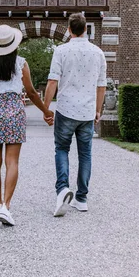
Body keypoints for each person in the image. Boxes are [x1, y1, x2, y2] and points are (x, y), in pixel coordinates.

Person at [0, 24, 54, 226]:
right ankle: (6, 205)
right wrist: (47, 112)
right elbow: (30, 92)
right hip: (14, 112)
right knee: (12, 162)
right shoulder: (21, 63)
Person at [44, 13, 106, 217]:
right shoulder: (98, 53)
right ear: (86, 29)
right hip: (87, 112)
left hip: (66, 109)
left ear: (69, 29)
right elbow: (101, 86)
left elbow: (52, 81)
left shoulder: (61, 50)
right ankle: (81, 199)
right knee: (85, 154)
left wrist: (46, 109)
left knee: (62, 148)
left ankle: (62, 189)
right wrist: (98, 110)